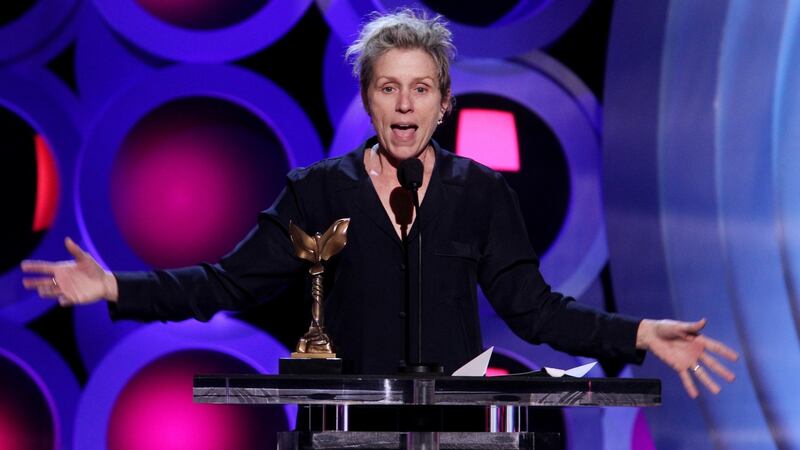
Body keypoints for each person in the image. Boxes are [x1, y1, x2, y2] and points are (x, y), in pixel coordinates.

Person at [21, 9, 736, 400]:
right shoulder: (318, 192)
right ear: (367, 100)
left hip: (451, 429)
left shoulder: (481, 192)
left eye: (421, 88)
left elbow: (535, 309)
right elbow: (228, 283)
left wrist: (638, 333)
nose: (404, 103)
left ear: (445, 103)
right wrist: (116, 286)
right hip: (348, 423)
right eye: (389, 87)